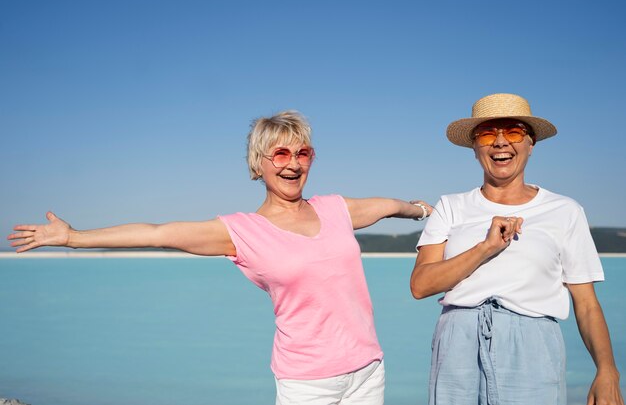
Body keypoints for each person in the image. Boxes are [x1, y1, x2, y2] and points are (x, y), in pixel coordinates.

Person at [8, 110, 432, 405]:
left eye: (303, 153)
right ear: (259, 163)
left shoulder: (336, 208)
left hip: (368, 367)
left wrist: (425, 210)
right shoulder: (240, 232)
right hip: (308, 380)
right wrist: (73, 237)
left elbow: (391, 205)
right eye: (280, 154)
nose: (293, 164)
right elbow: (158, 235)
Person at [410, 93, 623, 405]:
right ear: (474, 147)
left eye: (513, 132)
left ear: (530, 143)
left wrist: (608, 371)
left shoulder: (565, 210)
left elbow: (587, 304)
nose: (500, 142)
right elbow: (420, 285)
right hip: (457, 344)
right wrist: (485, 247)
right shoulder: (450, 206)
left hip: (533, 346)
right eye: (487, 133)